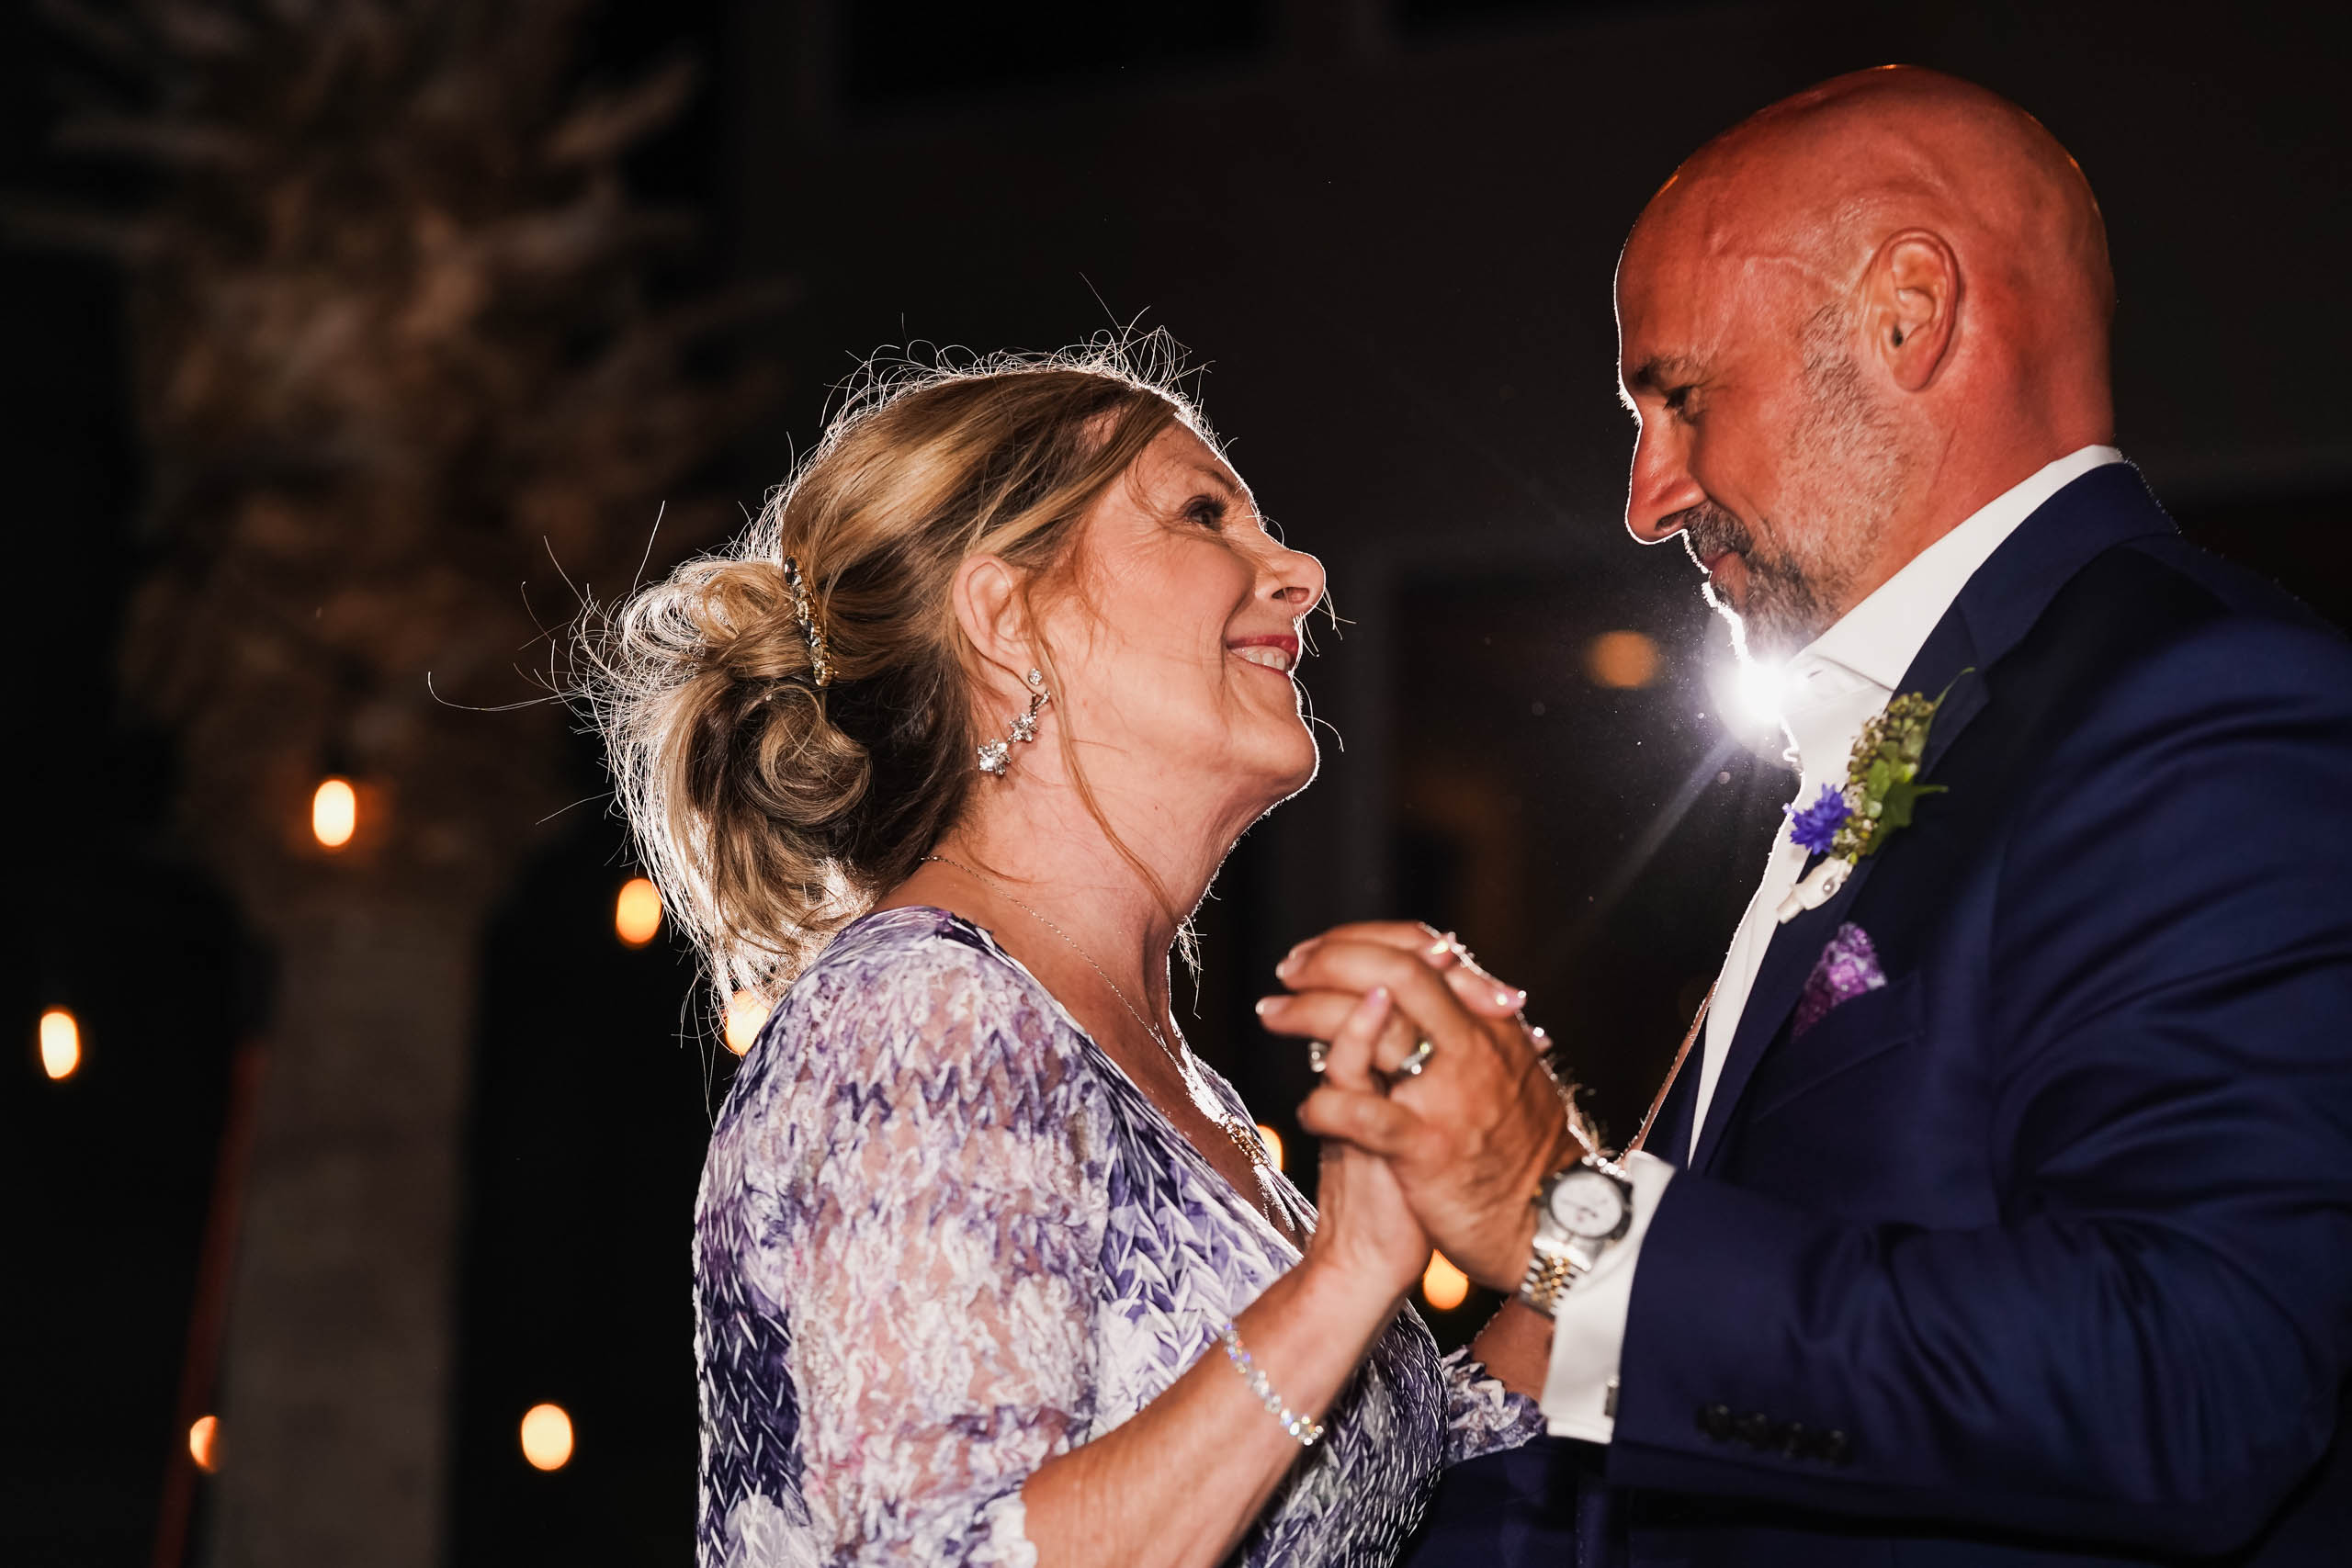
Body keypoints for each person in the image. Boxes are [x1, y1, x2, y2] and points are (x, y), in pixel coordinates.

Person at [1261, 67, 2352, 1565]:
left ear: (1910, 315)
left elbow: (2198, 1378)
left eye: (1680, 395)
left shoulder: (2199, 700)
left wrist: (1555, 1215)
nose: (1648, 496)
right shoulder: (1908, 742)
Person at [591, 348, 1543, 1568]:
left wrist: (1640, 1108)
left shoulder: (1163, 1077)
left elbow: (1409, 1496)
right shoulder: (919, 1020)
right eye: (1205, 513)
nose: (1298, 574)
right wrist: (1348, 1275)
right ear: (1007, 617)